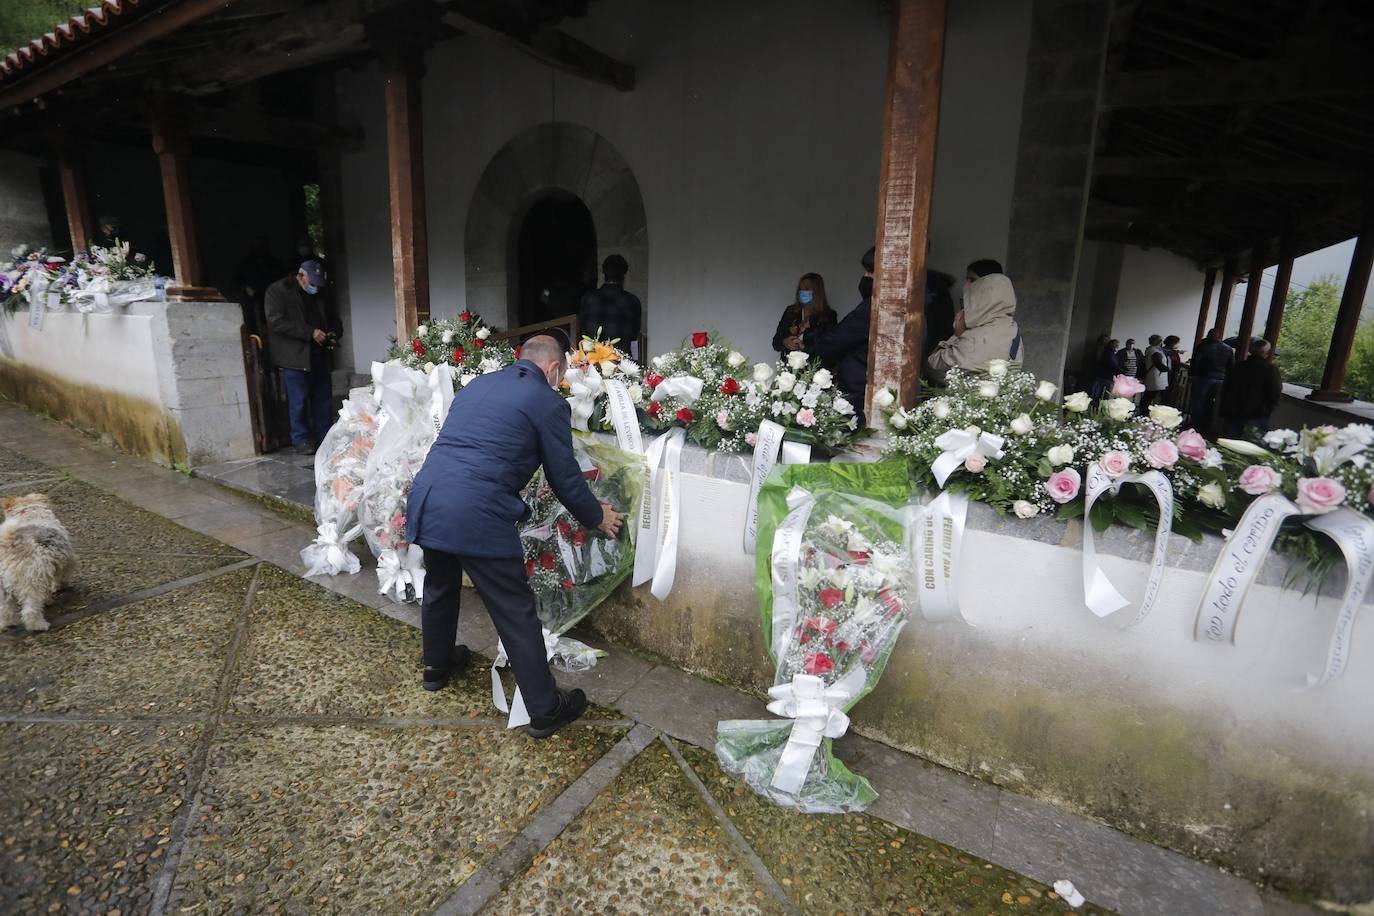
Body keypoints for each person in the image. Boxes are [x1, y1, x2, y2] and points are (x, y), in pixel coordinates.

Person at [406, 335, 625, 738]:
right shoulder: (547, 402)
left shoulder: (477, 385)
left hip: (429, 496)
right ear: (554, 369)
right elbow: (565, 479)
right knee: (513, 609)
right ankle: (544, 709)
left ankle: (436, 665)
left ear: (519, 360)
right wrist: (597, 516)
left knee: (440, 582)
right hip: (477, 510)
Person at [264, 260, 342, 454]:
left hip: (319, 353)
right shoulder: (278, 291)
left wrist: (333, 333)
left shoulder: (321, 293)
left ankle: (324, 437)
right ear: (300, 277)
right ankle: (301, 439)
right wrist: (310, 333)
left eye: (318, 284)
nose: (315, 288)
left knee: (323, 399)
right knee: (298, 401)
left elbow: (334, 318)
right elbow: (276, 322)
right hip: (295, 357)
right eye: (312, 284)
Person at [926, 259, 1022, 384]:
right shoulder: (1012, 328)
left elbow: (934, 368)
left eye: (972, 280)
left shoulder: (976, 337)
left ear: (986, 287)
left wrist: (957, 336)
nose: (966, 286)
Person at [803, 247, 875, 410]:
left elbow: (835, 340)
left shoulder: (872, 308)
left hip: (858, 390)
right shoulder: (792, 311)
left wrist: (807, 352)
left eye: (870, 271)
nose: (865, 276)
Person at [578, 255, 642, 355]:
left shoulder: (588, 298)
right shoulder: (632, 301)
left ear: (603, 272)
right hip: (621, 360)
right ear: (624, 274)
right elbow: (634, 334)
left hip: (592, 358)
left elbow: (582, 328)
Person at [1219, 339, 1283, 437]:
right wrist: (1268, 409)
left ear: (1251, 351)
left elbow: (1226, 388)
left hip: (1233, 412)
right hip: (1257, 415)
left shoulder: (1238, 367)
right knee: (1252, 447)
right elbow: (1275, 392)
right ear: (1267, 353)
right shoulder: (1271, 370)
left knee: (1229, 445)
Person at [772, 272, 837, 358]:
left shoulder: (828, 316)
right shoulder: (791, 312)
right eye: (800, 289)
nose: (802, 292)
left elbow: (830, 348)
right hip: (789, 368)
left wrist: (804, 347)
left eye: (806, 289)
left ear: (817, 292)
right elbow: (776, 342)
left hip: (815, 369)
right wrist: (785, 342)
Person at [1189, 328, 1235, 436]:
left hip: (1204, 378)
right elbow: (1231, 366)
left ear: (1209, 335)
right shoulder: (1228, 349)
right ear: (1219, 336)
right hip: (1221, 380)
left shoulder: (1203, 346)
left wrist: (1193, 375)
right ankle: (1208, 427)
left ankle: (1196, 427)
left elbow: (1196, 362)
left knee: (1199, 403)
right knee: (1213, 404)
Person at [1139, 335, 1170, 412]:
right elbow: (1159, 364)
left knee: (1149, 395)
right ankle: (1144, 412)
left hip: (1155, 376)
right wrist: (1167, 369)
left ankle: (1144, 410)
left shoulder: (1151, 350)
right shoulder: (1154, 351)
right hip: (1156, 377)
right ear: (1159, 341)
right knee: (1150, 395)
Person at [1162, 335, 1185, 406]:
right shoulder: (1162, 351)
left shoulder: (1174, 352)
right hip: (1163, 374)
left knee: (1170, 391)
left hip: (1172, 374)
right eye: (1177, 343)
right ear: (1172, 343)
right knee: (1162, 392)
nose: (1178, 344)